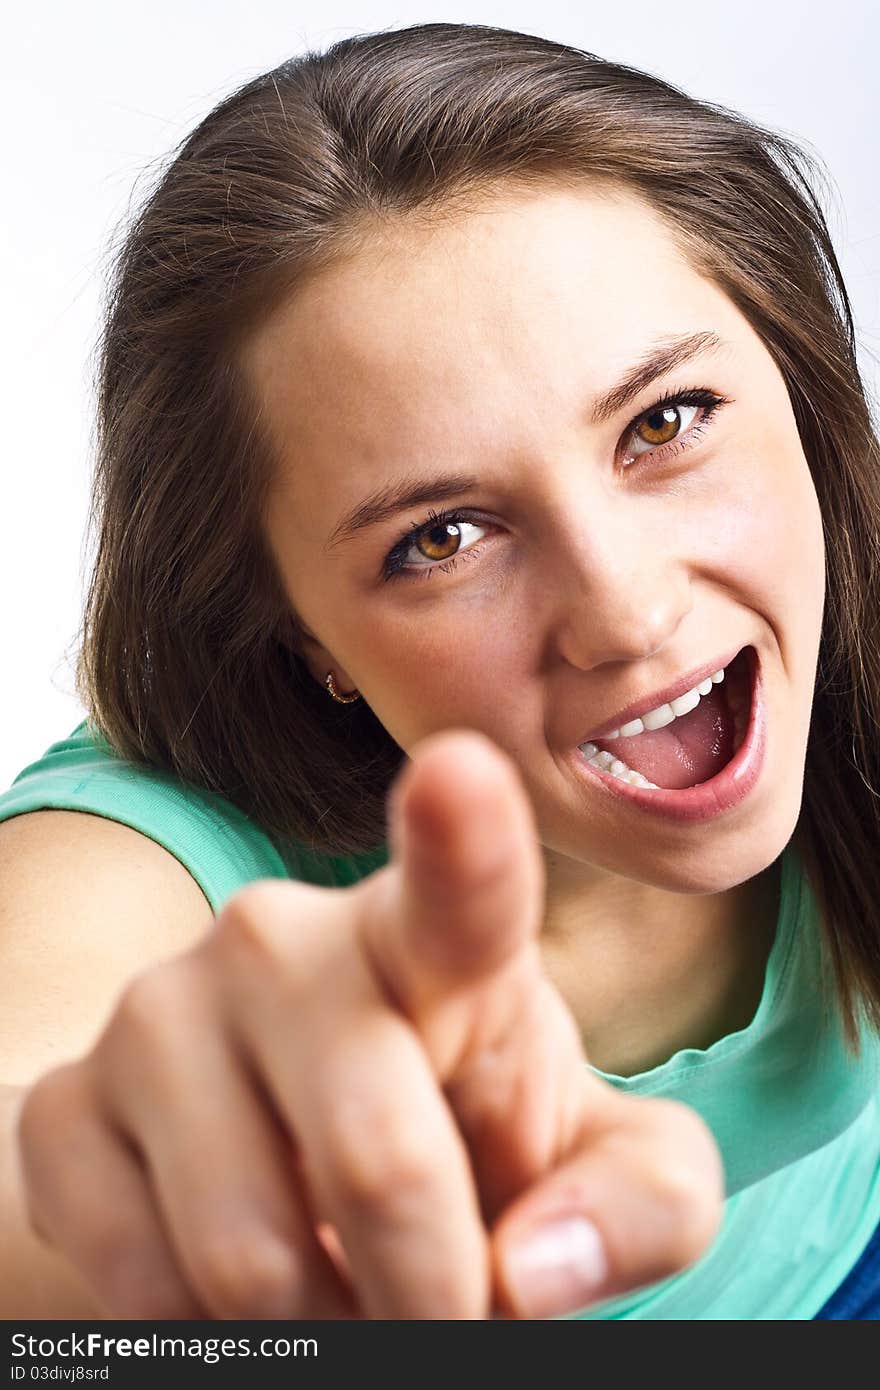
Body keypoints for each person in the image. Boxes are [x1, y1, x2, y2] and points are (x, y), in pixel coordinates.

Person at [1, 20, 879, 1321]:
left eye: (665, 421)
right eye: (441, 537)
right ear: (300, 633)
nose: (629, 611)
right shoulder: (149, 851)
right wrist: (180, 1213)